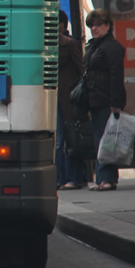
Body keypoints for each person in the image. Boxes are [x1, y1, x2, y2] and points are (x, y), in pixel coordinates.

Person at [83, 9, 126, 192]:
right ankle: (102, 178)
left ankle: (107, 178)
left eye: (98, 24)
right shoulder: (95, 46)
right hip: (95, 99)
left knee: (106, 141)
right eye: (92, 25)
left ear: (108, 26)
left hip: (106, 100)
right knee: (100, 139)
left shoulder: (112, 47)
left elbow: (117, 76)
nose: (94, 28)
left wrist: (115, 103)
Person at [56, 10, 88, 190]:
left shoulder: (69, 44)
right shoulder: (43, 46)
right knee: (58, 141)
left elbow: (80, 70)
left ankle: (74, 177)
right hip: (53, 100)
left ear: (61, 25)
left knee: (71, 138)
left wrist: (78, 96)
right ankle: (60, 178)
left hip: (68, 99)